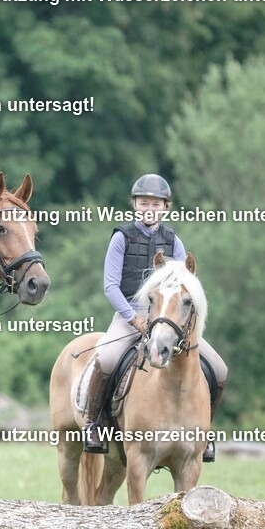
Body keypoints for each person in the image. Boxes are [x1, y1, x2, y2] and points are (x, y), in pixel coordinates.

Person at [81, 175, 228, 460]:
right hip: (130, 315)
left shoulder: (174, 241)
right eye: (144, 202)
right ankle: (94, 424)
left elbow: (188, 287)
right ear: (134, 204)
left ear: (166, 208)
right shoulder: (121, 238)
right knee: (108, 358)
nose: (149, 208)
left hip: (170, 319)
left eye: (156, 203)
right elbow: (110, 286)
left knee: (219, 370)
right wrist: (133, 319)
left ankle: (205, 433)